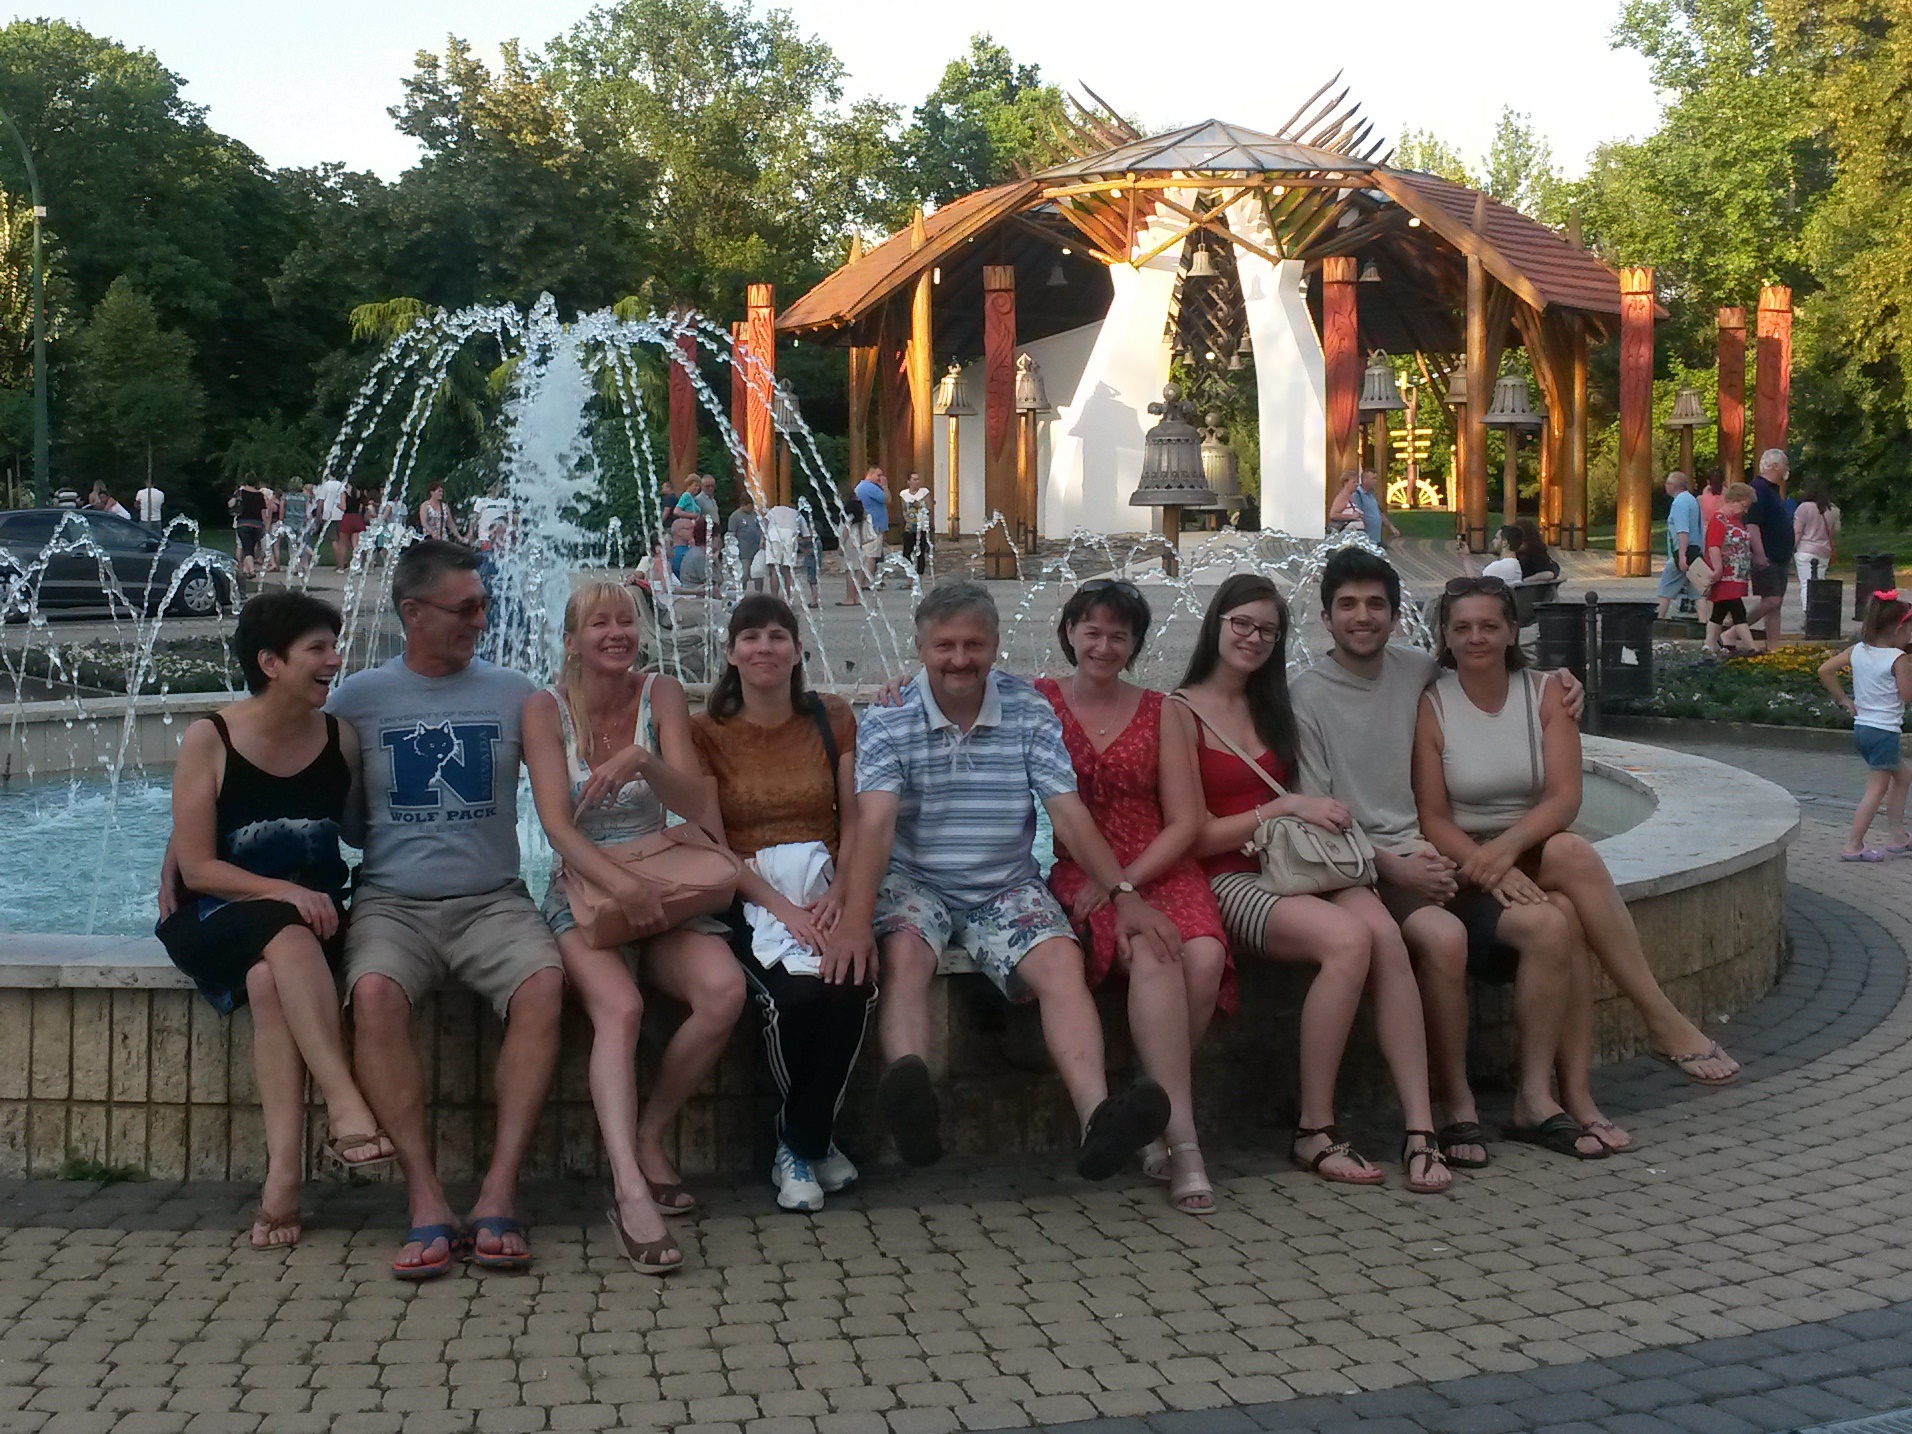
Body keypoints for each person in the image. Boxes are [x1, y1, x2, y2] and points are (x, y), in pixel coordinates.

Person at [833, 580, 1181, 1178]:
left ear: (995, 646)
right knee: (905, 956)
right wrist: (856, 922)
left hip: (1005, 885)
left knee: (1061, 962)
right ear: (920, 648)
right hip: (916, 881)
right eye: (945, 646)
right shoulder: (889, 717)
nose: (959, 659)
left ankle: (1097, 1120)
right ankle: (911, 1098)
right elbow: (876, 825)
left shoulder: (1027, 709)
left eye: (973, 645)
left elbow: (1068, 814)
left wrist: (1124, 896)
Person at [1295, 549, 1607, 1166]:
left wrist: (1564, 680)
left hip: (1431, 859)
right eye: (1347, 605)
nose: (1363, 617)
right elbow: (1316, 817)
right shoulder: (1305, 696)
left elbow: (1492, 668)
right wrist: (1394, 867)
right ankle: (1456, 1103)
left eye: (1376, 604)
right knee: (1444, 939)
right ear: (1326, 618)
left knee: (1550, 925)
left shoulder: (1416, 672)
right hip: (1362, 869)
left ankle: (1534, 1099)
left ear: (1397, 618)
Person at [326, 540, 566, 1280]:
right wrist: (187, 854)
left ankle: (498, 1191)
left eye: (483, 605)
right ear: (413, 612)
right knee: (372, 994)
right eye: (464, 608)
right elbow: (295, 785)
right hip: (392, 904)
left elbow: (564, 803)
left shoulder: (516, 693)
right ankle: (425, 1198)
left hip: (493, 901)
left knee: (544, 984)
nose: (481, 620)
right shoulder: (356, 700)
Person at [1175, 574, 1450, 1193]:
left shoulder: (1275, 704)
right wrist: (1283, 808)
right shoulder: (1180, 710)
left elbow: (1467, 667)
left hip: (1298, 866)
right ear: (1216, 624)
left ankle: (1420, 1129)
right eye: (1241, 624)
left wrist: (1551, 682)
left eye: (1268, 631)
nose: (1253, 638)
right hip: (1229, 879)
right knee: (1348, 941)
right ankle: (1314, 1129)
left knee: (1384, 935)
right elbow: (1193, 836)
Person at [1415, 574, 1739, 1094]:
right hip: (1464, 865)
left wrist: (1506, 851)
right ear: (1446, 636)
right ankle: (1656, 1024)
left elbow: (1566, 798)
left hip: (1528, 850)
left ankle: (1576, 1089)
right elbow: (1432, 818)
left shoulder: (1548, 693)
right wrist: (1488, 864)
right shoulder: (1432, 704)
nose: (1476, 637)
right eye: (1463, 627)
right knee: (1566, 890)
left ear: (1512, 631)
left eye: (1489, 626)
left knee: (1570, 861)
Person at [156, 593, 396, 1248]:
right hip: (217, 914)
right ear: (270, 662)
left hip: (312, 922)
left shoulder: (340, 738)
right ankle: (345, 1102)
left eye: (333, 646)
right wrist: (283, 892)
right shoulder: (211, 737)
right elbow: (200, 868)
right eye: (317, 649)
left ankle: (282, 1185)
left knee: (269, 981)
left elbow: (359, 831)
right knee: (283, 932)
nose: (334, 660)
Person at [524, 581, 742, 1270]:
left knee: (724, 991)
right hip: (588, 889)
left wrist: (642, 758)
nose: (617, 633)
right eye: (599, 624)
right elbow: (557, 827)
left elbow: (696, 803)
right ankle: (628, 1190)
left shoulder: (661, 693)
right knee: (619, 1009)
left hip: (660, 881)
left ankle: (651, 1134)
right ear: (571, 641)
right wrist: (621, 887)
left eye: (626, 621)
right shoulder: (544, 709)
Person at [1037, 581, 1228, 1214]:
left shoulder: (1161, 710)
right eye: (1091, 631)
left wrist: (1126, 880)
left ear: (1136, 644)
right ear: (1069, 633)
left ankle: (1150, 1105)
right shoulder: (1037, 700)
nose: (1103, 645)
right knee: (1153, 952)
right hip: (1082, 871)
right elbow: (956, 681)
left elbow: (1186, 821)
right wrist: (899, 685)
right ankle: (1185, 1144)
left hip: (1159, 865)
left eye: (1119, 635)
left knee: (1204, 958)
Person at [692, 595, 874, 1212]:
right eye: (750, 637)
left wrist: (842, 894)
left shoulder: (832, 715)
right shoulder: (704, 731)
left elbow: (854, 818)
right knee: (791, 999)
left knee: (851, 983)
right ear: (730, 653)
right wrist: (784, 910)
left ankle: (800, 1142)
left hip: (825, 883)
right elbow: (712, 842)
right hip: (748, 892)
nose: (763, 648)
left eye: (777, 636)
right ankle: (807, 1142)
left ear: (797, 651)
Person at [1817, 592, 1912, 861]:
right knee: (1876, 789)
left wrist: (1844, 700)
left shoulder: (1858, 650)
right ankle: (1854, 845)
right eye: (1910, 631)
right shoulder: (1897, 658)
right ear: (1899, 629)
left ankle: (1898, 837)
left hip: (1864, 729)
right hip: (1884, 732)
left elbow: (1824, 670)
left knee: (1903, 777)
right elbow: (1907, 695)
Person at [1705, 482, 1759, 656]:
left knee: (1719, 611)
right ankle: (1751, 646)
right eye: (1744, 506)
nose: (1746, 510)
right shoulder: (1719, 519)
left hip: (1737, 575)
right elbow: (1713, 546)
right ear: (1734, 501)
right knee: (1737, 610)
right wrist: (1718, 568)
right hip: (1726, 576)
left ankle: (1710, 643)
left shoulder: (1736, 520)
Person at [1749, 449, 1794, 650]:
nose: (1787, 469)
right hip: (1767, 555)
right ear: (1775, 466)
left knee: (1776, 604)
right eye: (1785, 464)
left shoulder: (1773, 490)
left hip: (1779, 555)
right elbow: (1752, 524)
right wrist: (1759, 554)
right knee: (1772, 600)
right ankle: (1733, 630)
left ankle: (1773, 646)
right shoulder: (1758, 489)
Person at [1658, 472, 1703, 621]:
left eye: (1667, 483)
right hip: (1694, 551)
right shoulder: (1691, 500)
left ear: (1672, 486)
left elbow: (1682, 530)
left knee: (1665, 588)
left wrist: (1681, 556)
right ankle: (1703, 621)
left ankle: (1659, 618)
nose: (1665, 486)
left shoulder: (1679, 503)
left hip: (1681, 552)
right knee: (1696, 590)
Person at [1793, 486, 1840, 606]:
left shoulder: (1804, 507)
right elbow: (1836, 530)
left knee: (1806, 584)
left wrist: (1792, 547)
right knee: (1819, 581)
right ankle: (1819, 609)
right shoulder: (1833, 509)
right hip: (1824, 551)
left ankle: (1808, 611)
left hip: (1805, 550)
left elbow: (1797, 531)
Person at [836, 497, 873, 607]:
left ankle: (850, 597)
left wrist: (841, 545)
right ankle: (856, 597)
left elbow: (846, 530)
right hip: (859, 543)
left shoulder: (849, 516)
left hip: (849, 543)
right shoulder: (862, 518)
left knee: (849, 571)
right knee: (858, 570)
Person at [234, 476, 269, 581]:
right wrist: (265, 526)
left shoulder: (240, 493)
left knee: (247, 548)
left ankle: (252, 570)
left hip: (243, 523)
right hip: (257, 524)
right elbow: (263, 512)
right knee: (250, 547)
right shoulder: (260, 495)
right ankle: (246, 569)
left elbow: (230, 504)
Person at [728, 490, 764, 592]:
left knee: (758, 574)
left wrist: (762, 539)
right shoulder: (735, 516)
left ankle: (759, 594)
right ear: (744, 504)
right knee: (743, 575)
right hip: (743, 552)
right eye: (750, 505)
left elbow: (760, 529)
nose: (752, 508)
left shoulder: (755, 515)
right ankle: (741, 593)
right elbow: (732, 534)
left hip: (756, 550)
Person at [854, 466, 891, 557]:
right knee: (873, 555)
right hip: (874, 526)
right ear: (871, 474)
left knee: (873, 553)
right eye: (879, 475)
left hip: (869, 525)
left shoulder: (861, 486)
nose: (881, 478)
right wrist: (885, 486)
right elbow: (887, 500)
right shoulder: (870, 488)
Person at [900, 475, 932, 578]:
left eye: (918, 479)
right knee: (907, 552)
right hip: (910, 526)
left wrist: (920, 506)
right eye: (914, 479)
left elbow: (929, 508)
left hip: (921, 526)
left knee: (920, 552)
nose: (917, 481)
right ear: (909, 481)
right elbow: (904, 510)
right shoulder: (904, 494)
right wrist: (907, 519)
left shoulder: (924, 492)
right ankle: (909, 575)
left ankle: (920, 575)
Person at [1698, 469, 1725, 533]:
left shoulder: (1700, 499)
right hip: (1723, 530)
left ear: (1708, 482)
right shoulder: (1728, 499)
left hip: (1706, 531)